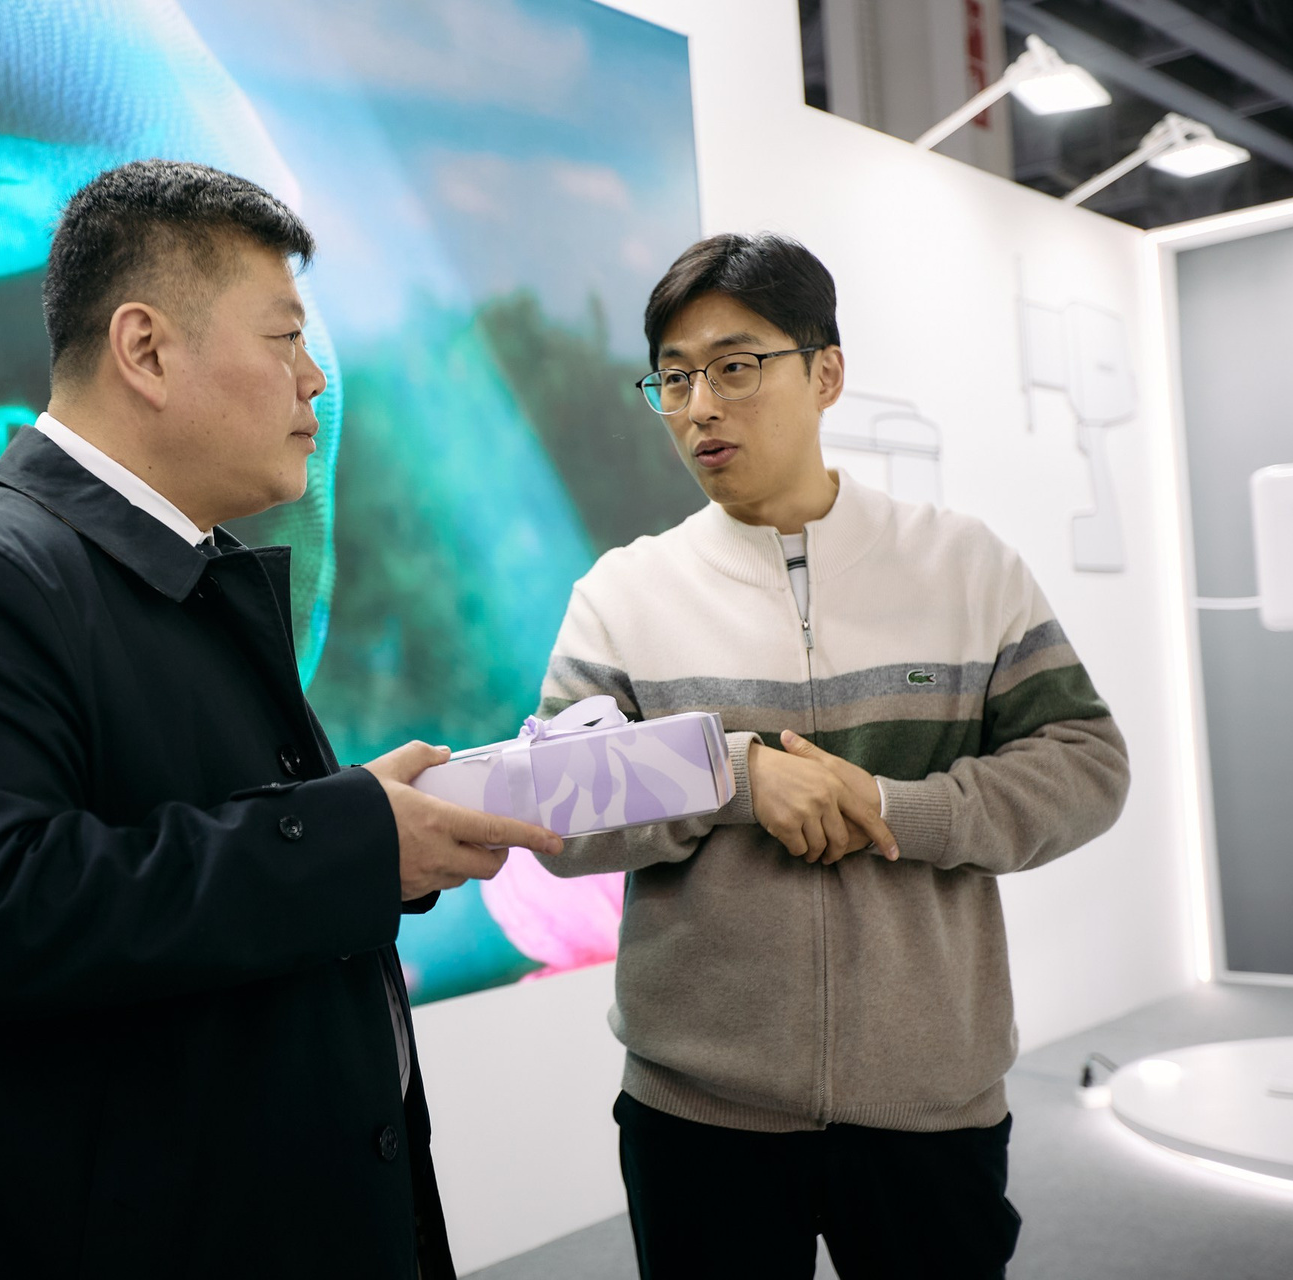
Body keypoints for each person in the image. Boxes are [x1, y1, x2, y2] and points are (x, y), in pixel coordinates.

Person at [0, 159, 563, 1279]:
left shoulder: (180, 566)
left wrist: (380, 830)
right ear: (146, 349)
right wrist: (348, 839)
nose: (314, 379)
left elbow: (205, 845)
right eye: (285, 338)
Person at [536, 232, 1130, 1280]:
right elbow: (560, 805)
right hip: (698, 1111)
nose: (700, 407)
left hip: (929, 1099)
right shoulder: (622, 595)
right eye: (674, 379)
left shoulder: (966, 566)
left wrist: (900, 807)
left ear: (826, 373)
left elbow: (1087, 763)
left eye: (734, 367)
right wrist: (733, 776)